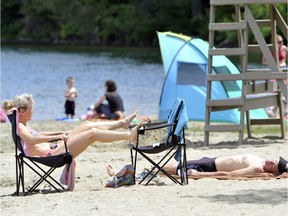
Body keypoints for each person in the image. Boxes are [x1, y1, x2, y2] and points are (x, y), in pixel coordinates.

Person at [2, 93, 142, 158]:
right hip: (53, 153)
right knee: (92, 133)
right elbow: (32, 140)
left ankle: (122, 123)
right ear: (22, 111)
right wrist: (59, 137)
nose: (33, 111)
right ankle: (128, 135)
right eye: (31, 108)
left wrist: (64, 131)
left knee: (87, 124)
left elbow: (41, 135)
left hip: (56, 146)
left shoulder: (24, 126)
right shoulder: (20, 127)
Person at [160, 154, 288, 177]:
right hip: (211, 160)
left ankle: (149, 173)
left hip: (209, 166)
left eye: (273, 165)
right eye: (275, 159)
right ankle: (150, 172)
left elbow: (229, 174)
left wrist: (201, 174)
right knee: (169, 168)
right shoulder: (260, 160)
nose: (271, 161)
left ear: (274, 171)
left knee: (169, 169)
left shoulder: (256, 168)